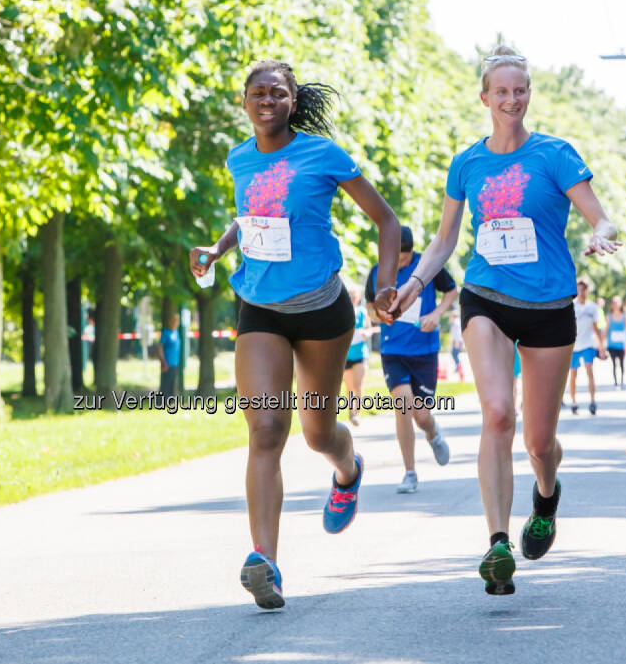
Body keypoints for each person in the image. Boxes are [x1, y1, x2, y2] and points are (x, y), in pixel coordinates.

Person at [390, 46, 621, 595]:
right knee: (497, 414)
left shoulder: (555, 154)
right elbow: (444, 240)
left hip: (548, 308)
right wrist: (413, 286)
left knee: (540, 443)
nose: (511, 99)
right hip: (486, 298)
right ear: (485, 98)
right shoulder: (467, 163)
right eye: (502, 91)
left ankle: (546, 497)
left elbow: (602, 217)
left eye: (520, 90)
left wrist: (601, 234)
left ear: (529, 95)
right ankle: (497, 543)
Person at [189, 59, 401, 610]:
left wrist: (385, 285)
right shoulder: (239, 158)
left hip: (322, 311)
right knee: (265, 430)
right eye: (258, 93)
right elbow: (250, 215)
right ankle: (265, 561)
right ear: (244, 102)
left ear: (292, 100)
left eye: (278, 93)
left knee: (317, 434)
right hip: (260, 308)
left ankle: (347, 470)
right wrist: (219, 248)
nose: (267, 101)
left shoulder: (322, 154)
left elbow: (387, 220)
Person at [365, 225, 457, 493]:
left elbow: (451, 290)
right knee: (403, 405)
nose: (401, 263)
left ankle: (433, 433)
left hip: (424, 350)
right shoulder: (378, 271)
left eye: (405, 258)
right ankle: (410, 472)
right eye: (398, 258)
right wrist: (378, 315)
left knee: (422, 416)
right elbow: (370, 306)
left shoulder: (426, 266)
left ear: (413, 252)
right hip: (393, 350)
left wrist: (437, 314)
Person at [566, 279, 606, 415]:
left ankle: (593, 401)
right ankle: (574, 401)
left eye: (583, 290)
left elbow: (596, 327)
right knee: (573, 374)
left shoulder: (592, 307)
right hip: (574, 345)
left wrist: (601, 346)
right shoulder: (572, 306)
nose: (581, 292)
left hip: (588, 343)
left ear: (587, 291)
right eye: (578, 289)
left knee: (590, 371)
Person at [343, 284, 370, 427]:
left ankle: (357, 413)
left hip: (360, 353)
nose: (352, 298)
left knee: (358, 384)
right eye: (350, 295)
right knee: (349, 387)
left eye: (355, 295)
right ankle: (351, 412)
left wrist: (366, 333)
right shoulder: (343, 312)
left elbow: (369, 328)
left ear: (358, 298)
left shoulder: (363, 312)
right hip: (346, 354)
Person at [606, 296, 626, 388]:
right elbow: (606, 330)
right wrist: (602, 342)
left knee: (622, 362)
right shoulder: (609, 317)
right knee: (614, 363)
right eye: (614, 303)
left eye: (617, 302)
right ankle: (615, 381)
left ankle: (622, 380)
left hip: (621, 344)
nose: (616, 305)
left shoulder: (625, 316)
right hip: (612, 344)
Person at [157, 314, 181, 397]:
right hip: (167, 363)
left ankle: (171, 401)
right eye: (173, 321)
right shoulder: (166, 333)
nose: (175, 323)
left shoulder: (177, 333)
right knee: (165, 385)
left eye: (176, 321)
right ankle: (163, 401)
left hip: (175, 363)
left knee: (172, 385)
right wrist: (163, 361)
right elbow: (160, 348)